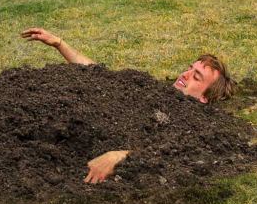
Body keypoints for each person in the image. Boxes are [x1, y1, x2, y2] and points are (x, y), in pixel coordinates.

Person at [19, 27, 235, 182]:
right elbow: (101, 74)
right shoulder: (153, 88)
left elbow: (174, 152)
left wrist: (120, 156)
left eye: (196, 77)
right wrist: (59, 43)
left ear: (204, 97)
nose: (185, 75)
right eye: (189, 68)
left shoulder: (193, 121)